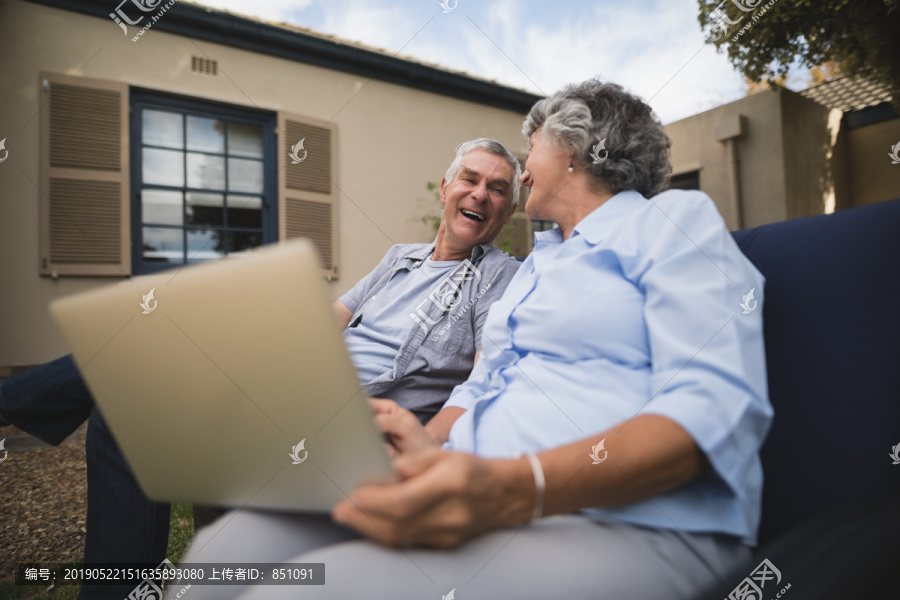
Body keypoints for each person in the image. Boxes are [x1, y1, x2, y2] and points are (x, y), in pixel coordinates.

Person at [172, 79, 772, 600]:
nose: (519, 168)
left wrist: (514, 489)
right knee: (226, 550)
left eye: (528, 148)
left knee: (326, 585)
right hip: (477, 489)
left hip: (633, 522)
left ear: (572, 149)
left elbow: (713, 410)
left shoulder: (672, 224)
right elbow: (479, 386)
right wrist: (425, 448)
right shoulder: (541, 264)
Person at [0, 137, 523, 600]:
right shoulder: (399, 258)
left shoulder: (497, 278)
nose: (481, 194)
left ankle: (10, 403)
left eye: (498, 189)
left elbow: (481, 380)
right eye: (470, 179)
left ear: (507, 213)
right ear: (445, 188)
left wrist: (427, 442)